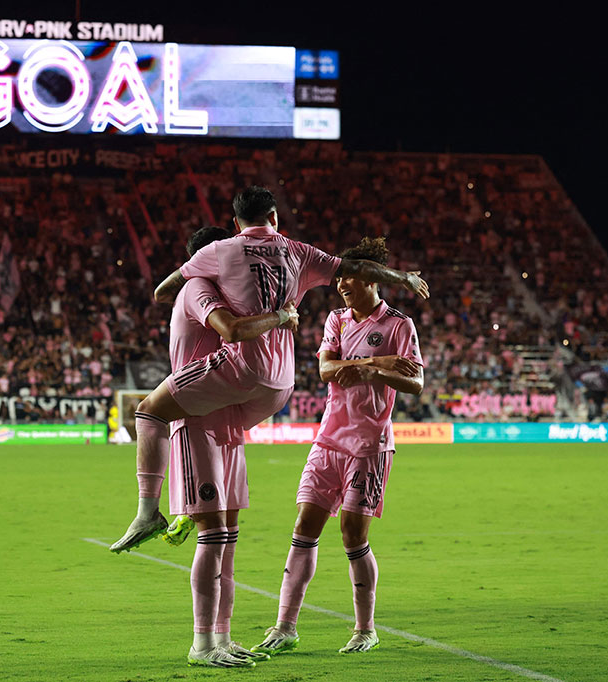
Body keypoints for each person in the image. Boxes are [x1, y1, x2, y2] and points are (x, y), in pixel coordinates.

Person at [110, 186, 429, 553]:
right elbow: (355, 267)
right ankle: (200, 504)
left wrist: (203, 280)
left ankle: (152, 510)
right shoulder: (299, 251)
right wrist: (402, 278)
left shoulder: (218, 252)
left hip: (239, 368)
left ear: (235, 224)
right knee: (221, 436)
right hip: (280, 383)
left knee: (151, 412)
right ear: (275, 217)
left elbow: (163, 292)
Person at [117, 225, 297, 667]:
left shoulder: (221, 291)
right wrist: (282, 316)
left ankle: (222, 636)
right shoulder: (198, 288)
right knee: (213, 537)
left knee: (228, 539)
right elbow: (229, 330)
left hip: (226, 424)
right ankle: (202, 643)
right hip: (196, 422)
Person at [251, 237, 424, 657]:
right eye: (340, 275)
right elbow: (327, 369)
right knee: (303, 530)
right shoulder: (338, 320)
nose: (342, 283)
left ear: (372, 278)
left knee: (352, 536)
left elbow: (415, 383)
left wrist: (376, 370)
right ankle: (284, 627)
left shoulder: (399, 325)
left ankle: (365, 629)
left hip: (369, 445)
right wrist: (371, 364)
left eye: (350, 276)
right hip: (328, 440)